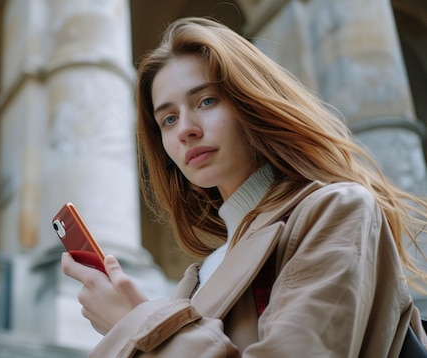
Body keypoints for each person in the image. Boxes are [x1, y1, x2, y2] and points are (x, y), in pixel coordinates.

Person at [61, 16, 427, 357]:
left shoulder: (336, 209)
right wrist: (140, 323)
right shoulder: (198, 277)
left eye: (206, 100)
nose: (185, 129)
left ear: (250, 103)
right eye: (168, 119)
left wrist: (138, 322)